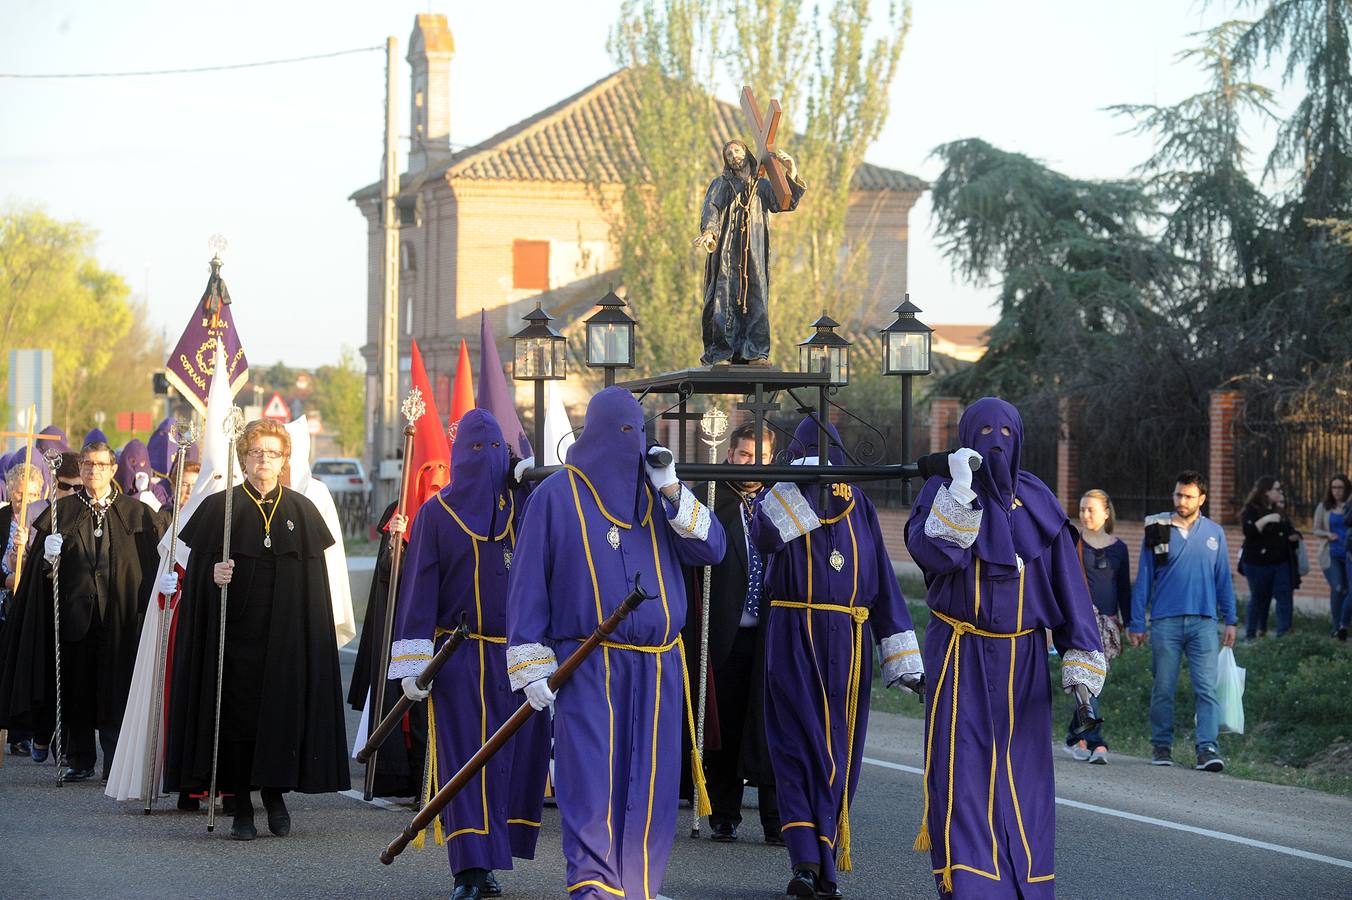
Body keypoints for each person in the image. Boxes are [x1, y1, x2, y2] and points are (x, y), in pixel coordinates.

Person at [506, 386, 726, 900]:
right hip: (587, 665)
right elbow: (528, 586)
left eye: (640, 433)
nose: (633, 444)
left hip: (659, 667)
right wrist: (531, 666)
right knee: (592, 784)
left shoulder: (657, 497)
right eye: (623, 432)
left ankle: (637, 888)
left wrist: (672, 489)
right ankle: (593, 889)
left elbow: (712, 548)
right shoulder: (555, 496)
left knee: (651, 788)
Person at [905, 398, 1104, 899]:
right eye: (984, 430)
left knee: (1025, 781)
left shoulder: (1038, 502)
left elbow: (1071, 589)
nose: (996, 442)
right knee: (964, 777)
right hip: (959, 657)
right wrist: (962, 489)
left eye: (1006, 432)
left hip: (1025, 664)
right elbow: (936, 553)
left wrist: (1081, 669)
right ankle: (973, 887)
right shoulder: (941, 492)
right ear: (966, 434)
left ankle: (1028, 887)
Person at [752, 418, 922, 900]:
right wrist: (798, 485)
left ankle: (823, 855)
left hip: (849, 641)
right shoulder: (783, 497)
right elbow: (764, 535)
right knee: (796, 746)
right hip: (794, 638)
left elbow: (884, 584)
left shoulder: (861, 506)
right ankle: (805, 858)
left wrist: (905, 662)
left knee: (838, 753)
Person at [389, 410, 548, 900]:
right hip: (461, 658)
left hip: (521, 657)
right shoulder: (436, 514)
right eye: (476, 451)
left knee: (516, 759)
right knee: (469, 763)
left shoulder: (524, 508)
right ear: (459, 458)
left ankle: (494, 858)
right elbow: (418, 590)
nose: (487, 461)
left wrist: (526, 476)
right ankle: (470, 869)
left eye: (495, 451)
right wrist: (414, 664)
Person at [164, 419, 349, 840]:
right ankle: (242, 807)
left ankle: (275, 795)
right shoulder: (219, 508)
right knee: (236, 719)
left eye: (272, 453)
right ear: (243, 458)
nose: (264, 460)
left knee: (279, 716)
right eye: (256, 452)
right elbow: (194, 580)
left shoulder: (302, 510)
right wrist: (214, 573)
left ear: (285, 459)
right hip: (234, 637)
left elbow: (313, 587)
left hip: (284, 637)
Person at [0, 441, 160, 782]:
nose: (94, 471)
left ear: (114, 469)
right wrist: (47, 555)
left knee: (118, 688)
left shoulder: (137, 513)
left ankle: (116, 759)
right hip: (75, 616)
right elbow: (40, 579)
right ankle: (79, 758)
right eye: (88, 464)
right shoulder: (62, 511)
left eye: (101, 465)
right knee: (76, 689)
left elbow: (150, 564)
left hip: (120, 617)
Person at [682, 422, 781, 845]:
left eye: (758, 456)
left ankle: (778, 819)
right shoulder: (712, 497)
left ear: (772, 459)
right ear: (730, 454)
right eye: (742, 454)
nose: (749, 463)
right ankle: (724, 812)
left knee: (772, 725)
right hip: (723, 631)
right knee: (724, 725)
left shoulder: (783, 498)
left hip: (775, 633)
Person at [1129, 470, 1237, 772]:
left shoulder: (1215, 532)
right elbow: (1144, 576)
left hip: (1204, 622)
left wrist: (1232, 619)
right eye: (1178, 494)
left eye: (1188, 496)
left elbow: (1223, 578)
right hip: (1165, 621)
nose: (1182, 501)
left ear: (1202, 498)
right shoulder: (1158, 526)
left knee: (1206, 688)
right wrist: (1137, 622)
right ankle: (1161, 745)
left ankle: (1207, 748)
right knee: (1163, 686)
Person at [694, 140, 806, 366]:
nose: (733, 155)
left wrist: (791, 170)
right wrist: (709, 232)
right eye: (728, 153)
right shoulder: (721, 184)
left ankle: (755, 352)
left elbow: (783, 202)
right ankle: (721, 353)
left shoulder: (761, 186)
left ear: (746, 153)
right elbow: (711, 209)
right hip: (726, 250)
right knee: (722, 297)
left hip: (754, 249)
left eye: (737, 150)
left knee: (756, 297)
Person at [346, 501, 426, 799]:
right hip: (414, 623)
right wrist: (396, 542)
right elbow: (391, 574)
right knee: (413, 705)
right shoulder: (403, 508)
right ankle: (421, 780)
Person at [1064, 489, 1130, 765]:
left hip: (1108, 626)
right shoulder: (1071, 542)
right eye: (1082, 509)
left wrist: (1131, 623)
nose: (1085, 514)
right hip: (1080, 623)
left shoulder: (1119, 548)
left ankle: (1073, 735)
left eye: (1091, 509)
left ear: (1106, 512)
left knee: (1093, 685)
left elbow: (1124, 590)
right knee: (1085, 682)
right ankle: (1097, 742)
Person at [1, 458, 47, 757]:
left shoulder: (45, 518)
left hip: (33, 603)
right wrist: (8, 579)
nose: (24, 500)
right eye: (19, 494)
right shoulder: (3, 519)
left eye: (31, 495)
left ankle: (28, 731)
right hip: (5, 602)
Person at [1239, 475, 1302, 639]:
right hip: (1257, 563)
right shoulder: (1251, 509)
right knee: (1259, 597)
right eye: (1277, 489)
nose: (1280, 492)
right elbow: (1249, 533)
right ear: (1266, 491)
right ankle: (1250, 634)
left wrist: (1294, 536)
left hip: (1280, 562)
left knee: (1284, 596)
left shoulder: (1278, 509)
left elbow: (1289, 530)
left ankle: (1283, 635)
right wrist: (1266, 520)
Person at [1311, 473, 1350, 640]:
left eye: (1340, 487)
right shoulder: (1324, 506)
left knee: (1348, 591)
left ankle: (1343, 624)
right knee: (1338, 587)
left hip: (1348, 554)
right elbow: (1315, 529)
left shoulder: (1350, 506)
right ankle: (1336, 627)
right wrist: (1328, 534)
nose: (1337, 491)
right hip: (1331, 554)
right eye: (1334, 487)